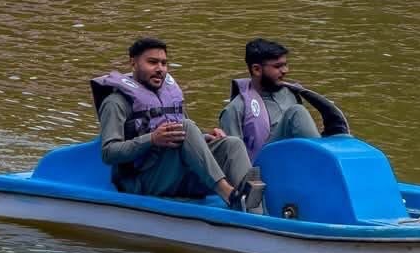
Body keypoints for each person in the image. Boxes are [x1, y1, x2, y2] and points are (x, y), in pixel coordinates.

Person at [92, 37, 258, 208]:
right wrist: (152, 139)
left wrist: (206, 137)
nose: (160, 69)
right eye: (152, 62)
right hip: (142, 181)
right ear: (133, 63)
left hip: (174, 174)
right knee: (186, 127)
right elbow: (108, 153)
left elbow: (186, 135)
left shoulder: (169, 96)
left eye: (164, 63)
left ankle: (254, 212)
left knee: (232, 144)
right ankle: (228, 193)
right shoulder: (115, 103)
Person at [217, 39, 324, 160]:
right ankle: (323, 162)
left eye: (285, 64)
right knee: (297, 112)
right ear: (256, 69)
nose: (285, 71)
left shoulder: (291, 94)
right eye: (277, 66)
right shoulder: (235, 109)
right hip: (262, 170)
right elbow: (231, 158)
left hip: (294, 163)